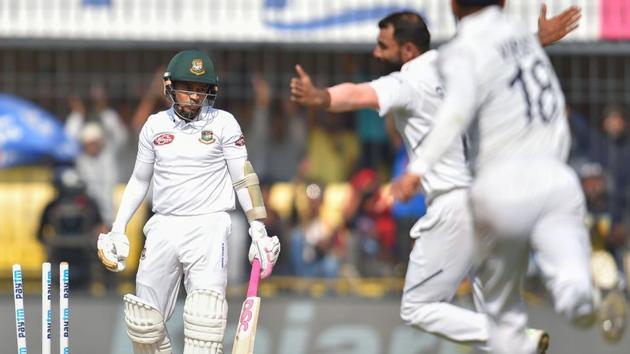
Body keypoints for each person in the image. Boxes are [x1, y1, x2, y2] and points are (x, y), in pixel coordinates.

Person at [290, 6, 580, 352]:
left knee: (418, 307)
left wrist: (319, 96)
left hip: (454, 206)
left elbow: (357, 94)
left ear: (408, 51)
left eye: (383, 46)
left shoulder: (407, 81)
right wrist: (538, 40)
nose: (375, 53)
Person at [390, 1, 604, 353]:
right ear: (504, 3)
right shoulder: (520, 37)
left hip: (503, 192)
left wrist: (418, 167)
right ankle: (581, 295)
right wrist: (539, 38)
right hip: (558, 182)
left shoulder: (462, 51)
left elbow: (455, 112)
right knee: (572, 292)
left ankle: (523, 341)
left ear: (453, 6)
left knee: (503, 324)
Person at [96, 49, 281, 354]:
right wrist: (119, 227)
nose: (195, 96)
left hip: (208, 225)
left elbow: (243, 177)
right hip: (164, 225)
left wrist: (257, 229)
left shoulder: (224, 123)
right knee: (143, 324)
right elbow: (140, 180)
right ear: (170, 87)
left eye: (201, 89)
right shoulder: (155, 126)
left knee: (204, 322)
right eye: (188, 88)